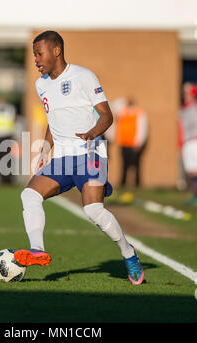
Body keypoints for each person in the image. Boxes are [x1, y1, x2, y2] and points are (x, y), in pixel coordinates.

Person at [13, 31, 144, 285]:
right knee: (29, 194)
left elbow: (107, 116)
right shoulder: (41, 84)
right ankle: (37, 250)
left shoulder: (84, 76)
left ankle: (128, 253)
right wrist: (45, 148)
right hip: (62, 156)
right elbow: (53, 120)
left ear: (56, 51)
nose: (36, 60)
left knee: (94, 210)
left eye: (39, 54)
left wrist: (92, 134)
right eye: (34, 55)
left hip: (90, 151)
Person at [178, 83, 197, 206]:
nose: (186, 95)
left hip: (196, 140)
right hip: (187, 142)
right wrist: (180, 143)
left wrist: (192, 88)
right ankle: (194, 194)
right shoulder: (182, 109)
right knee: (191, 170)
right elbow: (181, 128)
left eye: (187, 93)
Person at [115, 97, 148, 187]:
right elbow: (115, 105)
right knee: (124, 165)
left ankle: (137, 183)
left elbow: (142, 128)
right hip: (124, 143)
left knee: (136, 165)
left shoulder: (139, 112)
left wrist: (138, 142)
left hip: (134, 144)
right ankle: (123, 183)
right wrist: (124, 101)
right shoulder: (123, 112)